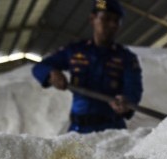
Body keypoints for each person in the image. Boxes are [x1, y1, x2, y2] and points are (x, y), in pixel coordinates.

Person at [32, 0, 143, 134]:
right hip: (78, 131)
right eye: (106, 18)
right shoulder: (74, 51)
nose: (113, 24)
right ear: (92, 19)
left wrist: (127, 100)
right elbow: (40, 66)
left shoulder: (127, 58)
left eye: (117, 20)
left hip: (113, 131)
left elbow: (134, 87)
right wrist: (50, 73)